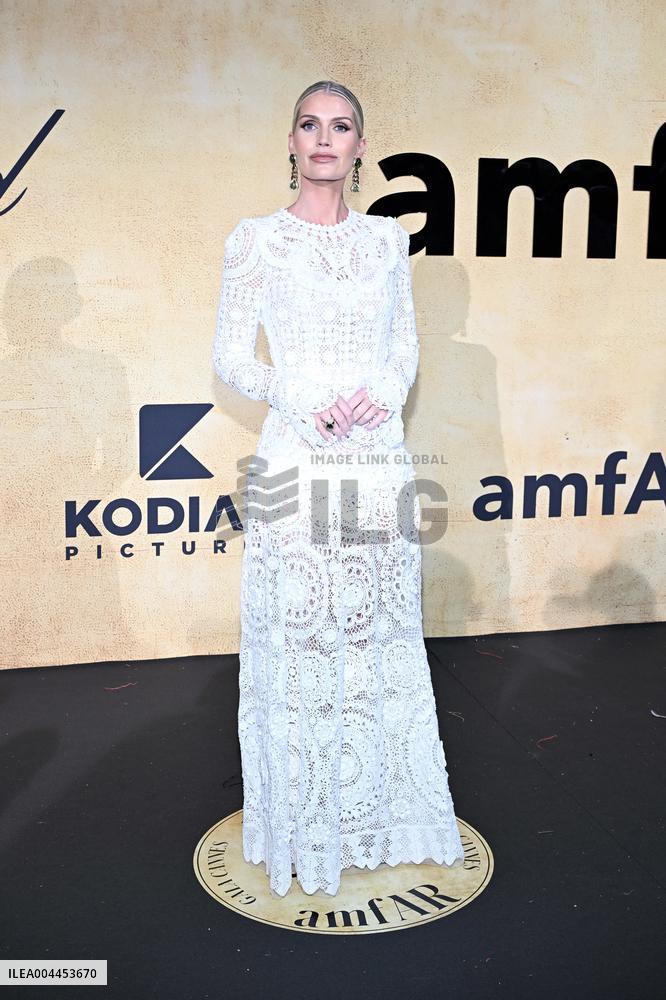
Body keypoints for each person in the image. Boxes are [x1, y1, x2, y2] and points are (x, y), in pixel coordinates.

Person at [212, 80, 465, 897]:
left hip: (373, 458)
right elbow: (231, 357)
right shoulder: (254, 240)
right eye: (310, 124)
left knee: (376, 632)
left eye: (342, 126)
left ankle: (380, 815)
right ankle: (304, 822)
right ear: (290, 140)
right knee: (302, 638)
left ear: (361, 147)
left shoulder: (389, 241)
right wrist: (298, 393)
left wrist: (383, 396)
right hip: (297, 457)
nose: (325, 138)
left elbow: (404, 349)